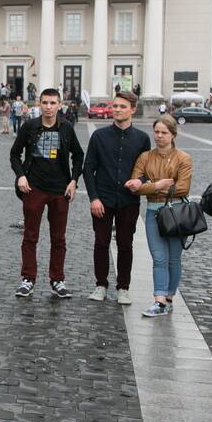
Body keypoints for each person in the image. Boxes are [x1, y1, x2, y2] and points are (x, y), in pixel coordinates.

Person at [10, 88, 84, 299]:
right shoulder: (30, 127)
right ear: (39, 104)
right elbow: (15, 154)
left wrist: (74, 180)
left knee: (58, 238)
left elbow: (78, 155)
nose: (49, 107)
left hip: (60, 190)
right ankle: (28, 279)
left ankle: (57, 280)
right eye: (45, 103)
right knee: (30, 235)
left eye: (53, 103)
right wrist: (20, 176)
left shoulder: (67, 128)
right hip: (34, 188)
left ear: (59, 105)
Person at [83, 91, 149, 305]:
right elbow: (88, 168)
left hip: (129, 200)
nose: (117, 110)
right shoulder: (99, 136)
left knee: (125, 245)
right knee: (101, 243)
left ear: (132, 109)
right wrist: (93, 198)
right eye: (115, 106)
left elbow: (146, 169)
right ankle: (100, 284)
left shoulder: (142, 138)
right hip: (103, 199)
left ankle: (123, 287)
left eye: (122, 106)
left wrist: (140, 181)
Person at [125, 115, 192, 318]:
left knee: (174, 258)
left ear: (173, 134)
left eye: (164, 133)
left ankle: (170, 297)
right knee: (159, 258)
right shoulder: (145, 157)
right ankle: (159, 300)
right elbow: (134, 185)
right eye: (157, 132)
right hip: (154, 212)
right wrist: (158, 185)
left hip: (176, 212)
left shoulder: (183, 158)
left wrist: (150, 187)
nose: (159, 136)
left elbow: (183, 187)